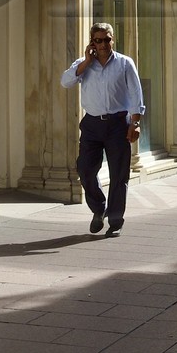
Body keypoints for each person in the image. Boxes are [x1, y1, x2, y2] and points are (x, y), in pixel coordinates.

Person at [60, 22, 145, 237]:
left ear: (112, 39)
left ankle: (115, 219)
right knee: (85, 170)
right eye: (99, 40)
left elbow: (136, 93)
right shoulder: (83, 64)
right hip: (92, 124)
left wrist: (135, 123)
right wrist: (86, 61)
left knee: (119, 174)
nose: (104, 44)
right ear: (92, 42)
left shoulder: (125, 63)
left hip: (118, 123)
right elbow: (66, 81)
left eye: (107, 39)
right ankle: (99, 208)